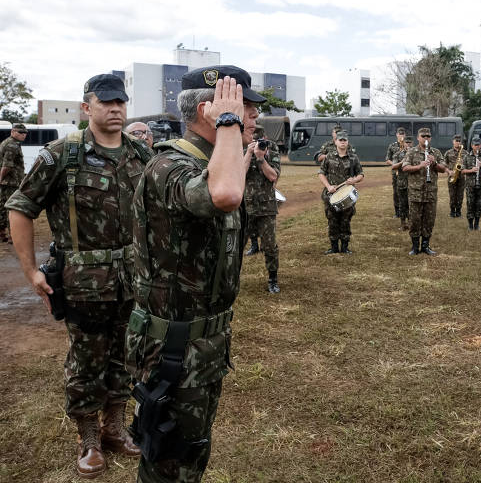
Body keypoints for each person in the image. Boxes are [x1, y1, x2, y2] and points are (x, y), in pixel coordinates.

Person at [7, 74, 152, 478]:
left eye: (121, 102)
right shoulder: (62, 155)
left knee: (126, 354)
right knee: (87, 360)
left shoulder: (140, 154)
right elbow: (20, 207)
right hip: (83, 282)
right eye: (105, 103)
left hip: (133, 278)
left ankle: (115, 427)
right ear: (86, 108)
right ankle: (88, 438)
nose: (116, 109)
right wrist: (31, 270)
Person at [127, 68, 262, 482]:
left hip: (202, 343)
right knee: (169, 461)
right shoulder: (169, 166)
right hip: (173, 349)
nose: (253, 116)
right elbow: (223, 195)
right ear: (209, 110)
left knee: (191, 453)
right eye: (245, 107)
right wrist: (229, 123)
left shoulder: (206, 162)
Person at [244, 124, 281, 293]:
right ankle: (231, 279)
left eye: (260, 140)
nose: (257, 143)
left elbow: (273, 176)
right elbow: (238, 174)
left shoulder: (271, 149)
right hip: (244, 205)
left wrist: (261, 158)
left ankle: (273, 279)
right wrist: (248, 153)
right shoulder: (240, 148)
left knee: (270, 246)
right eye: (253, 140)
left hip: (266, 206)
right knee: (236, 246)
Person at [402, 127, 448, 255]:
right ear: (418, 138)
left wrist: (434, 164)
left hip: (430, 193)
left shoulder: (436, 152)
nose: (426, 138)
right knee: (415, 220)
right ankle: (415, 247)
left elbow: (443, 168)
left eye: (428, 136)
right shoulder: (411, 152)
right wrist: (420, 166)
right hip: (415, 193)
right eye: (423, 136)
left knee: (429, 220)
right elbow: (405, 167)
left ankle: (426, 245)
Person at [318, 130, 364, 254]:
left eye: (345, 140)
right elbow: (321, 173)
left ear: (347, 142)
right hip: (331, 195)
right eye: (340, 140)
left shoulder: (353, 158)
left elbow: (361, 174)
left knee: (345, 221)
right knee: (332, 221)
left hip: (347, 195)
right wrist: (328, 186)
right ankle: (333, 247)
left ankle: (344, 247)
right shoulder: (329, 156)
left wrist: (354, 179)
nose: (343, 143)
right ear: (336, 142)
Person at [0, 122, 27, 243]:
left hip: (6, 182)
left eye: (25, 133)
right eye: (21, 132)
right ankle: (13, 236)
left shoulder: (7, 142)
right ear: (13, 132)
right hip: (11, 182)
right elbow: (7, 166)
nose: (24, 135)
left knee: (2, 207)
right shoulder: (13, 145)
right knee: (13, 208)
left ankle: (2, 234)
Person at [462, 137, 481, 231]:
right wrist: (471, 170)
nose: (477, 147)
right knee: (470, 204)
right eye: (475, 145)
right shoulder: (466, 157)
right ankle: (470, 225)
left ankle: (477, 224)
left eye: (478, 145)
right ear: (472, 145)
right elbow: (462, 171)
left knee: (479, 204)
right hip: (470, 185)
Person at [391, 135, 413, 231]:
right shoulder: (397, 154)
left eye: (409, 142)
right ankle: (403, 223)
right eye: (406, 142)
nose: (408, 144)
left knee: (412, 204)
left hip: (414, 184)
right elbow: (393, 166)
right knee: (402, 204)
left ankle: (411, 223)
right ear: (403, 144)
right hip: (402, 183)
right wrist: (402, 162)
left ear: (412, 143)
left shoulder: (416, 154)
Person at [385, 127, 406, 218]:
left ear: (404, 135)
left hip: (406, 172)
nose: (401, 135)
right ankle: (397, 212)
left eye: (402, 134)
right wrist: (395, 164)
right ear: (397, 135)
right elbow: (387, 159)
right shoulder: (392, 146)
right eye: (399, 134)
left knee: (406, 191)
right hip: (396, 172)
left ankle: (406, 211)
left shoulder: (408, 145)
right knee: (396, 192)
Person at [444, 134, 466, 217]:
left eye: (459, 141)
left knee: (460, 195)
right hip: (452, 176)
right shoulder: (448, 153)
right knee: (452, 195)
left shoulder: (465, 153)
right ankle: (452, 211)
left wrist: (463, 166)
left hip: (461, 177)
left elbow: (468, 164)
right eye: (456, 141)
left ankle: (459, 211)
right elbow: (444, 164)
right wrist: (448, 171)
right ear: (453, 142)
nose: (458, 142)